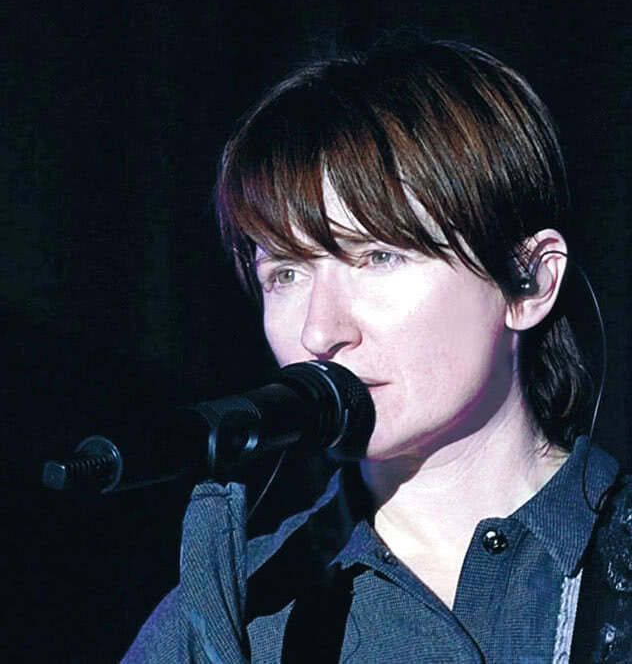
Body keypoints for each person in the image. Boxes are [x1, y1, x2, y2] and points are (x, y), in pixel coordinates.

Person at [123, 39, 631, 662]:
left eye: (379, 256)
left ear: (530, 283)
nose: (320, 332)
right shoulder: (223, 619)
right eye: (286, 273)